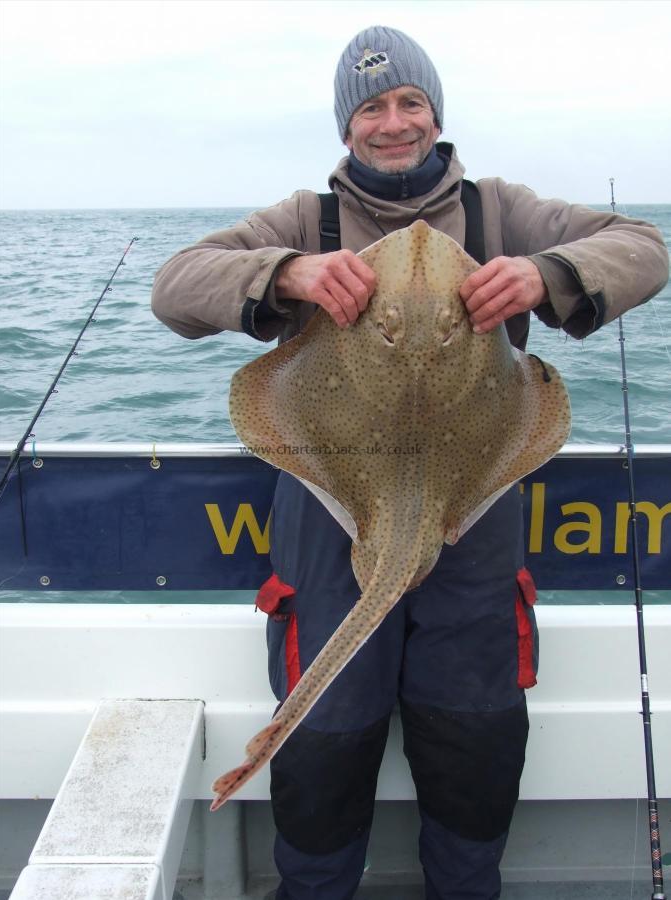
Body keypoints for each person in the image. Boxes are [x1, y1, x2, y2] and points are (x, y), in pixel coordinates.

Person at [152, 26, 668, 900]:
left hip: (470, 512)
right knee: (328, 726)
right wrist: (287, 275)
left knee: (472, 726)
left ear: (434, 113)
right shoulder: (304, 220)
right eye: (370, 110)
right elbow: (176, 285)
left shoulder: (498, 207)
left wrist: (547, 273)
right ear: (344, 128)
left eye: (409, 104)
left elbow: (646, 246)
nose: (392, 124)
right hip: (332, 508)